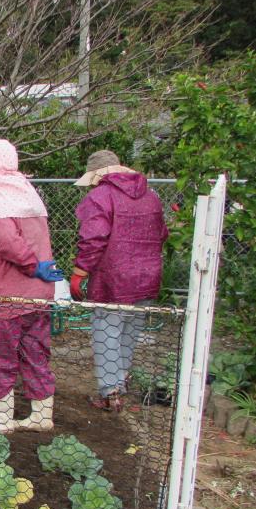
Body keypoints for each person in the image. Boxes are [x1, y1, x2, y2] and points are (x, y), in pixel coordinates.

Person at [0, 139, 63, 434]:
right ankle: (42, 414)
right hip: (39, 294)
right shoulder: (25, 192)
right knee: (35, 352)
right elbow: (19, 233)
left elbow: (8, 242)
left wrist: (30, 265)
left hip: (9, 294)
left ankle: (2, 418)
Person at [71, 150, 168, 412]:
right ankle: (120, 381)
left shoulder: (100, 196)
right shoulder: (150, 196)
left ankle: (110, 393)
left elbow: (94, 238)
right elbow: (162, 234)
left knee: (107, 331)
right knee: (129, 331)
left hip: (115, 278)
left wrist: (80, 272)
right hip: (147, 275)